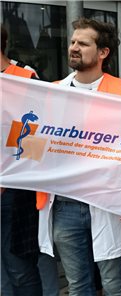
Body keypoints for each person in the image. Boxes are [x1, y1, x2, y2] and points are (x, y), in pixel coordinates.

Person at [38, 17, 121, 296]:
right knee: (77, 285)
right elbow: (38, 145)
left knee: (114, 284)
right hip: (65, 205)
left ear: (103, 52)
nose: (74, 47)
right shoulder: (53, 91)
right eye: (72, 42)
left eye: (83, 43)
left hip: (106, 202)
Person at [1, 24, 43, 296]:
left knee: (17, 266)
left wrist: (8, 177)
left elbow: (34, 138)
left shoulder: (23, 77)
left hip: (13, 193)